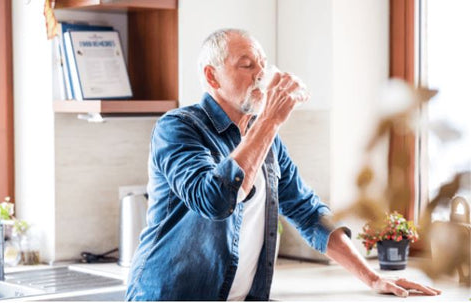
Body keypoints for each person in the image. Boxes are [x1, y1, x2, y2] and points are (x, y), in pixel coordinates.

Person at [125, 28, 441, 301]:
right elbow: (214, 200)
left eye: (262, 65)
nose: (260, 75)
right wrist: (270, 120)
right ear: (212, 76)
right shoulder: (178, 127)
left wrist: (372, 277)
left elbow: (307, 211)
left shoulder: (267, 139)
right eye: (246, 65)